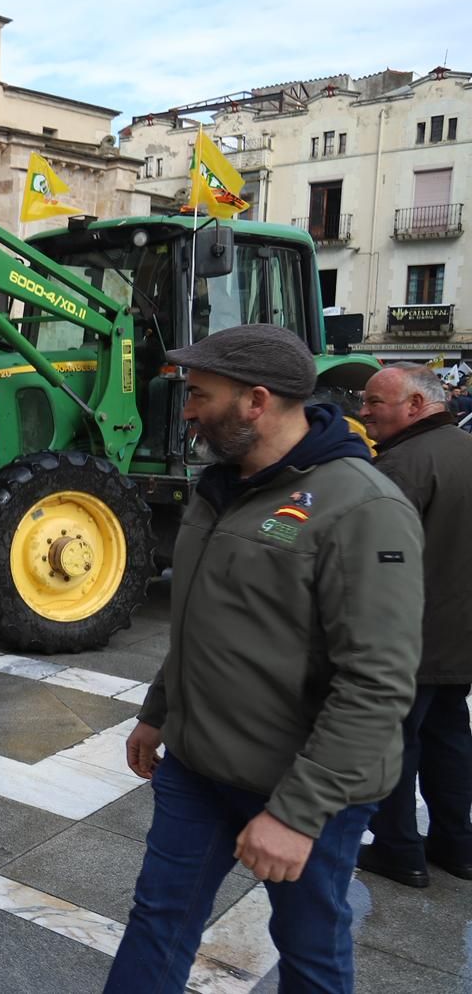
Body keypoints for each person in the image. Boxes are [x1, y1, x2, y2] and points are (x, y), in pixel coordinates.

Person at [106, 324, 423, 993]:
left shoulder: (364, 507)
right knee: (157, 923)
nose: (187, 409)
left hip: (305, 784)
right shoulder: (219, 487)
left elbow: (377, 685)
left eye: (200, 394)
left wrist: (296, 814)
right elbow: (203, 618)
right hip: (197, 766)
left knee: (309, 949)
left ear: (255, 401)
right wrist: (159, 711)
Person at [353, 364, 472, 887]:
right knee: (450, 737)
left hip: (410, 641)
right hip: (460, 638)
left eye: (375, 402)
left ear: (417, 405)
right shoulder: (464, 450)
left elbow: (376, 566)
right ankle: (458, 845)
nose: (363, 412)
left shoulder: (401, 466)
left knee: (395, 743)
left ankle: (400, 849)